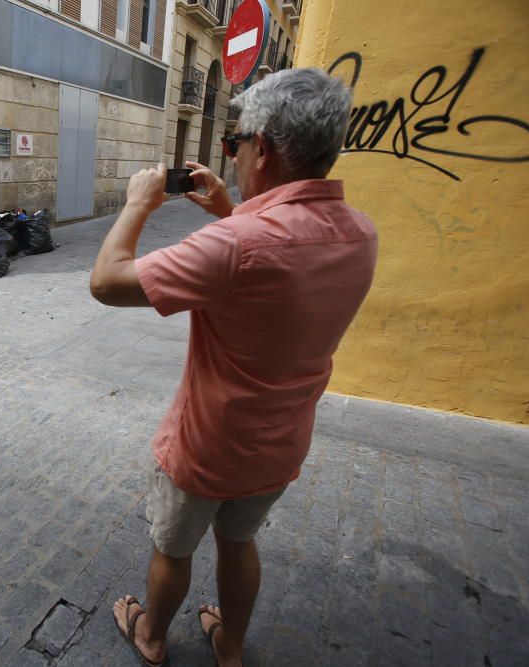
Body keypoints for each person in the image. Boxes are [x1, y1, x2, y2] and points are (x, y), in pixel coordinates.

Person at [89, 67, 378, 666]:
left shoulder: (238, 244)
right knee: (239, 542)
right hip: (279, 443)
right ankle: (232, 648)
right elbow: (274, 274)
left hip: (208, 444)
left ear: (263, 148)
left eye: (235, 143)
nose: (234, 155)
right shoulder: (359, 233)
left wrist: (139, 206)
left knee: (172, 549)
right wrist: (230, 210)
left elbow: (107, 283)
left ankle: (150, 637)